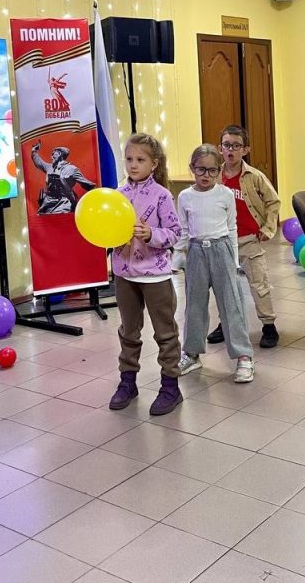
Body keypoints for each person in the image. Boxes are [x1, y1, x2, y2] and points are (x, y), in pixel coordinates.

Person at [108, 133, 183, 416]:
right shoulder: (117, 196)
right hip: (124, 275)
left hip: (155, 276)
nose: (133, 164)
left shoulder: (162, 195)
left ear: (154, 164)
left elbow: (175, 233)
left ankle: (170, 387)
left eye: (140, 159)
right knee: (128, 331)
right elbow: (106, 230)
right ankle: (128, 383)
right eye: (129, 159)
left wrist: (152, 234)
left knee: (165, 332)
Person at [174, 144, 255, 383]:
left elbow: (232, 228)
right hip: (196, 252)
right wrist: (177, 257)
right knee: (195, 305)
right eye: (200, 169)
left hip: (222, 250)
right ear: (192, 168)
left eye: (212, 170)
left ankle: (243, 356)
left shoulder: (225, 194)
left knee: (231, 304)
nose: (206, 175)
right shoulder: (185, 197)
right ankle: (191, 353)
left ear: (219, 171)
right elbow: (184, 229)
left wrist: (234, 260)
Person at [205, 125, 282, 349]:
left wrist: (268, 228)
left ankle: (269, 326)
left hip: (249, 240)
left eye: (236, 146)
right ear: (220, 148)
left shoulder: (254, 176)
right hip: (222, 241)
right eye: (226, 145)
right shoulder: (214, 177)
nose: (231, 150)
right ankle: (225, 324)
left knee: (259, 284)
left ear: (245, 150)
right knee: (224, 286)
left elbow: (273, 201)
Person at [30, 142, 96, 214]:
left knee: (60, 218)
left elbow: (88, 185)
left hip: (63, 203)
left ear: (59, 154)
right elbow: (39, 163)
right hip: (47, 204)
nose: (51, 157)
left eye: (53, 154)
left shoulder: (72, 169)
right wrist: (34, 151)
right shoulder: (49, 167)